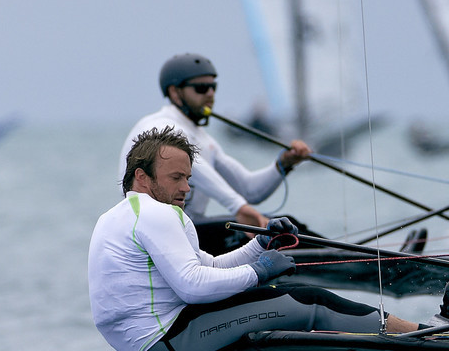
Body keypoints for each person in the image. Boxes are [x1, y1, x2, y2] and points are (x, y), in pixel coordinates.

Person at [90, 128, 449, 351]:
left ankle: (432, 331)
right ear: (142, 177)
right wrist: (258, 272)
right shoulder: (154, 213)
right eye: (176, 179)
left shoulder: (125, 216)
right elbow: (193, 287)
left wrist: (260, 246)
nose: (187, 189)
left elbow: (206, 267)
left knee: (302, 298)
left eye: (189, 179)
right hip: (173, 347)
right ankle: (436, 334)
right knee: (306, 301)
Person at [119, 54, 311, 246]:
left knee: (287, 225)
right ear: (175, 92)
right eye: (201, 88)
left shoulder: (202, 138)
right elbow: (198, 167)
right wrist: (239, 208)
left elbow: (251, 190)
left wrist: (284, 164)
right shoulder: (160, 126)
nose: (210, 94)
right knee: (280, 231)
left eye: (213, 87)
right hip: (157, 231)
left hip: (187, 228)